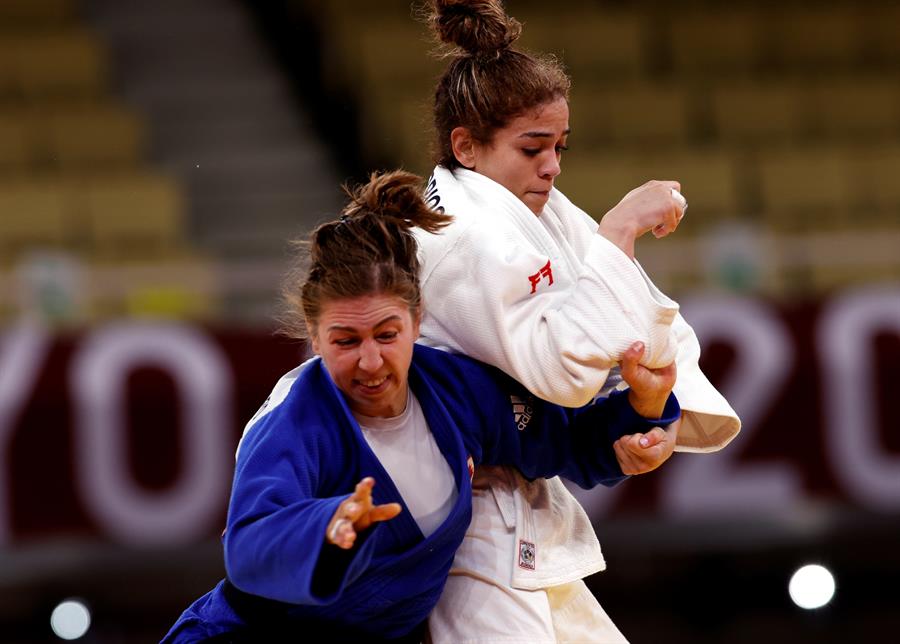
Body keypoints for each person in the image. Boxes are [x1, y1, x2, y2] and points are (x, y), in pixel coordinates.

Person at [160, 170, 681, 643]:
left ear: (417, 319)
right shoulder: (295, 422)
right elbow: (250, 545)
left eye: (387, 334)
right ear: (314, 339)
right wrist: (326, 526)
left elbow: (563, 438)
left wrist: (643, 409)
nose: (370, 361)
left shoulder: (455, 391)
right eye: (345, 341)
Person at [414, 1, 742, 641]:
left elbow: (638, 331)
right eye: (533, 148)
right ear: (466, 146)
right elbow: (562, 373)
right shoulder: (456, 236)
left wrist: (652, 411)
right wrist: (619, 228)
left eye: (559, 147)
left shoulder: (527, 208)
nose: (553, 166)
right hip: (458, 516)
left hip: (516, 496)